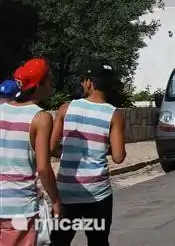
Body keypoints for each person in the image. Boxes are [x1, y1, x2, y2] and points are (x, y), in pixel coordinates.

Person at [50, 64, 126, 246]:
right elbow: (118, 157)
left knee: (60, 241)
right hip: (97, 193)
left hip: (67, 190)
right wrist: (103, 148)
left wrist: (65, 153)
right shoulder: (114, 114)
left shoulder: (65, 109)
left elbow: (51, 147)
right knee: (98, 241)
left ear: (89, 83)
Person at [0, 59, 62, 246]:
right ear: (39, 85)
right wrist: (56, 201)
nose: (52, 83)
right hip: (19, 207)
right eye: (49, 79)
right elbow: (43, 168)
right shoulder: (40, 118)